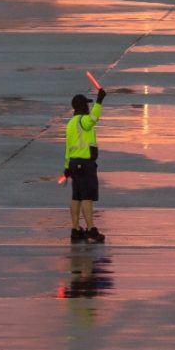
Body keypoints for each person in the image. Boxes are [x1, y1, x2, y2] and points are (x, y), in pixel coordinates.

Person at [65, 86, 107, 243]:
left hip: (74, 164)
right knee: (87, 197)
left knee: (76, 197)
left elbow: (68, 147)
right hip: (85, 164)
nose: (89, 107)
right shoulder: (83, 121)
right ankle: (91, 229)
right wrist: (99, 101)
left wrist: (67, 166)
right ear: (82, 106)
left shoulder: (70, 123)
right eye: (87, 105)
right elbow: (93, 120)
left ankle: (75, 229)